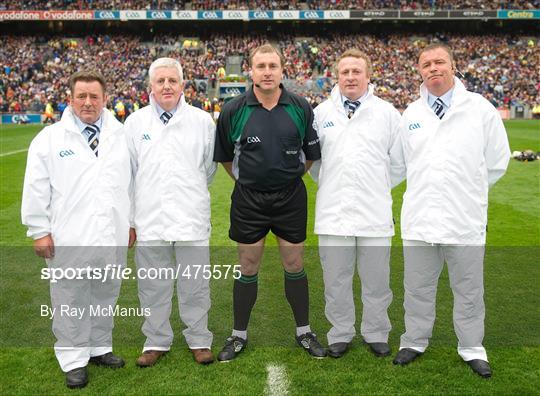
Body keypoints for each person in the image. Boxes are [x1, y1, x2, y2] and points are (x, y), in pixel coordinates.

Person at [391, 43, 510, 378]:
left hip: (465, 219)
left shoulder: (480, 109)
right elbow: (401, 165)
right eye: (426, 64)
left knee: (469, 290)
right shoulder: (411, 114)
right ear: (419, 71)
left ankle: (472, 347)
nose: (433, 68)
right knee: (416, 289)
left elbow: (497, 161)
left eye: (439, 61)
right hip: (420, 220)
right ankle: (414, 341)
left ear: (453, 65)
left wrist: (467, 192)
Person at [213, 44, 325, 362]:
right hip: (249, 200)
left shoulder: (300, 107)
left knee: (294, 264)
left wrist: (286, 178)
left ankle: (304, 331)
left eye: (272, 66)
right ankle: (238, 336)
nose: (266, 71)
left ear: (281, 70)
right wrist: (250, 181)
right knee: (248, 266)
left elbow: (310, 156)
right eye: (260, 66)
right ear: (251, 70)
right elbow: (224, 158)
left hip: (290, 198)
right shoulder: (234, 109)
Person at [21, 70, 130, 389]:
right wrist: (39, 230)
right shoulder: (50, 139)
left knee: (105, 294)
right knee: (70, 298)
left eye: (94, 96)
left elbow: (131, 184)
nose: (88, 102)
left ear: (105, 99)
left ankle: (99, 348)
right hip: (70, 234)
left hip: (111, 231)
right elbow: (35, 187)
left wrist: (132, 223)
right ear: (70, 99)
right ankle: (73, 359)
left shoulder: (120, 134)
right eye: (81, 96)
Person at [309, 49, 402, 359]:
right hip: (333, 211)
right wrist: (336, 183)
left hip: (374, 211)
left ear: (368, 75)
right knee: (336, 280)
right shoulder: (321, 113)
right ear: (337, 76)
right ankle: (340, 333)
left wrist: (372, 185)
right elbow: (313, 163)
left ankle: (376, 333)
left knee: (377, 280)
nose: (350, 77)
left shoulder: (387, 113)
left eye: (356, 72)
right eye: (345, 71)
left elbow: (399, 163)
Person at [125, 57, 216, 367]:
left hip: (191, 217)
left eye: (172, 81)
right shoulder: (135, 123)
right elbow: (129, 175)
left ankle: (199, 339)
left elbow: (209, 169)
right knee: (153, 284)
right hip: (150, 219)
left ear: (182, 85)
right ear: (151, 86)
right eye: (160, 81)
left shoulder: (202, 121)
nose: (166, 86)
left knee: (195, 283)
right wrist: (131, 220)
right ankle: (156, 340)